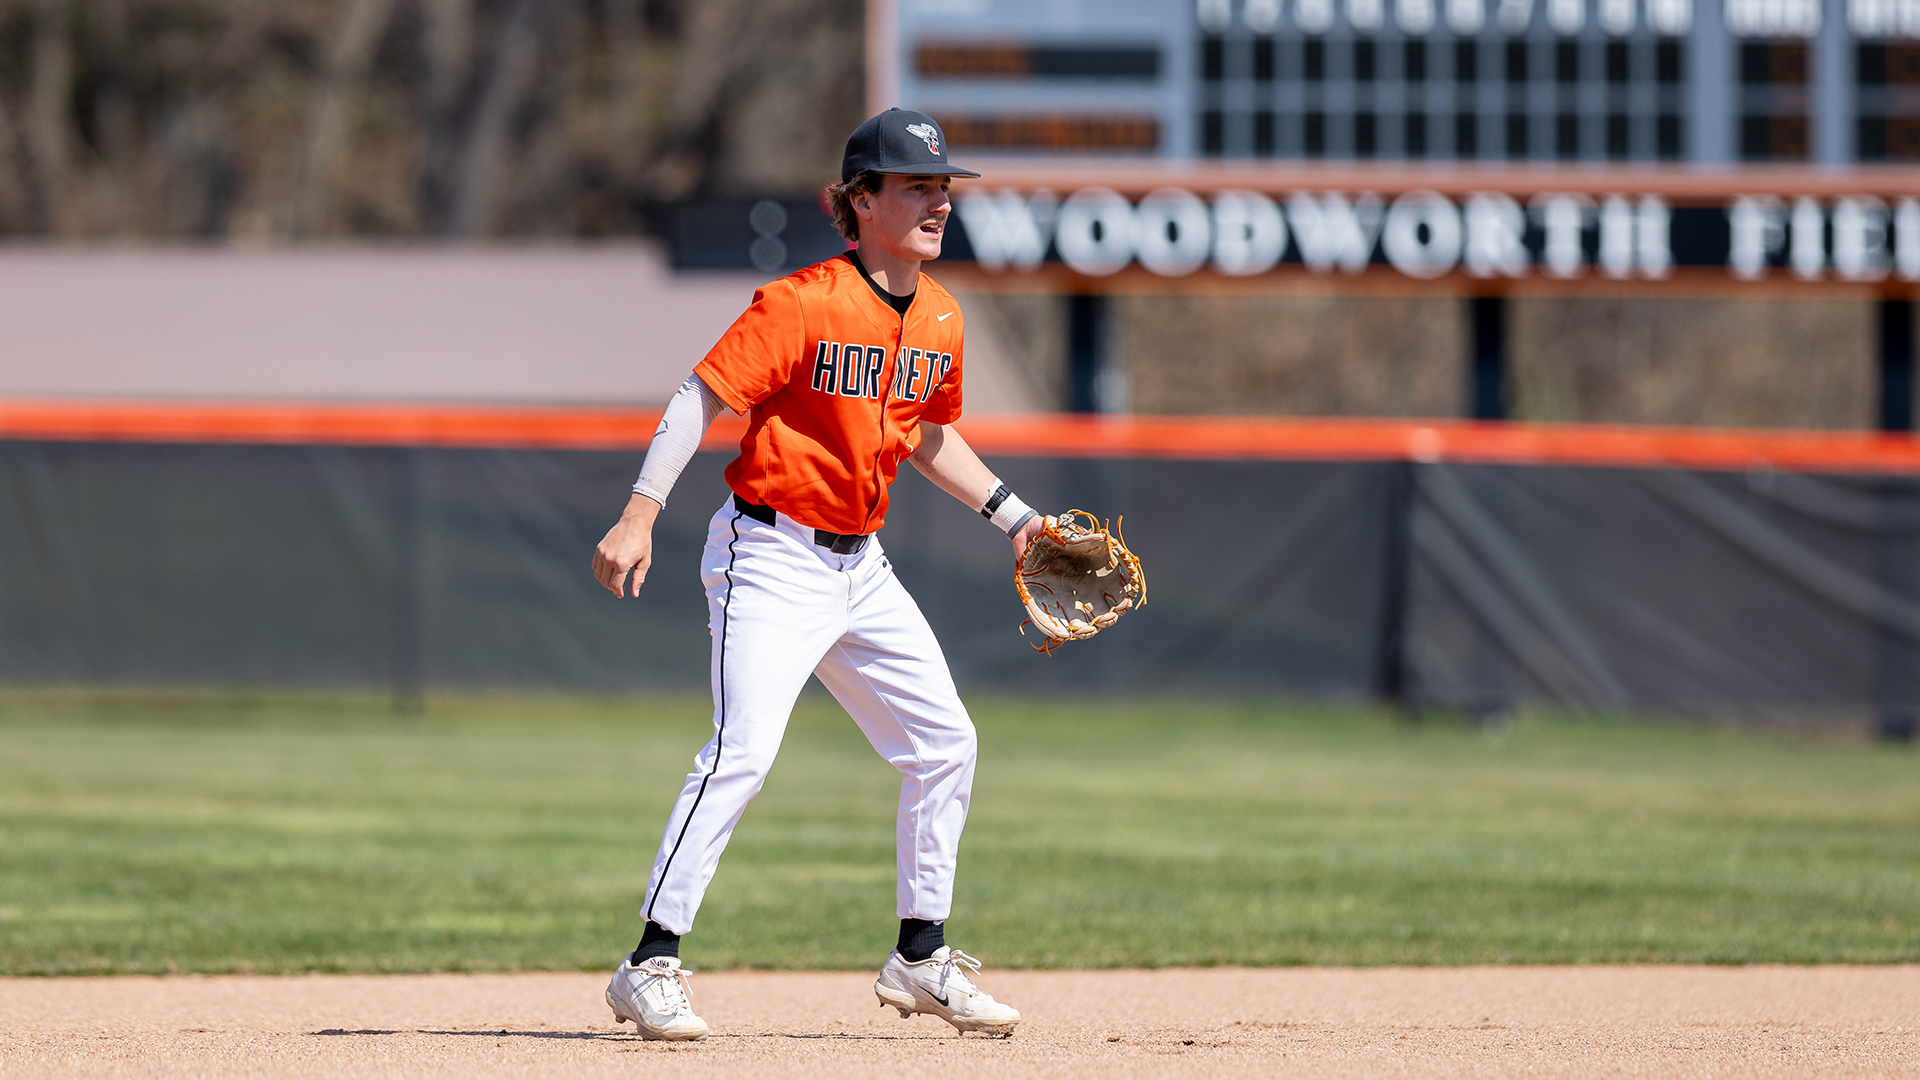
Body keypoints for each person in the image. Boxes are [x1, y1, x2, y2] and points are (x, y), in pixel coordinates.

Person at [590, 108, 1048, 1041]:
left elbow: (923, 429)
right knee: (742, 753)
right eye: (915, 185)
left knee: (944, 743)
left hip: (861, 568)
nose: (937, 202)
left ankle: (920, 957)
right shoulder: (798, 303)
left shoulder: (942, 314)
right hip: (769, 556)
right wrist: (640, 512)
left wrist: (1017, 518)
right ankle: (649, 963)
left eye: (943, 186)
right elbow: (701, 398)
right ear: (860, 202)